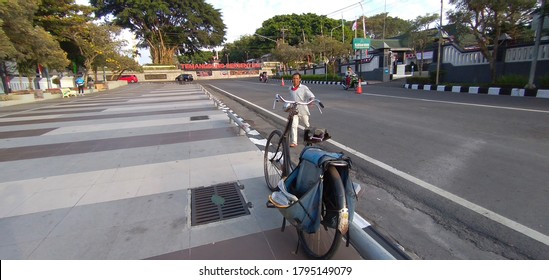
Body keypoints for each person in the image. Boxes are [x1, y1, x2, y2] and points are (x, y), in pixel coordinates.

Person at [288, 72, 315, 148]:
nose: (295, 80)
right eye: (294, 78)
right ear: (292, 79)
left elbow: (311, 95)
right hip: (294, 110)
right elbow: (291, 99)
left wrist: (311, 101)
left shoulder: (304, 88)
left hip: (303, 110)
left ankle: (308, 140)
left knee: (307, 125)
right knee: (294, 126)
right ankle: (294, 142)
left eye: (297, 78)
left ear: (300, 79)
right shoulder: (290, 88)